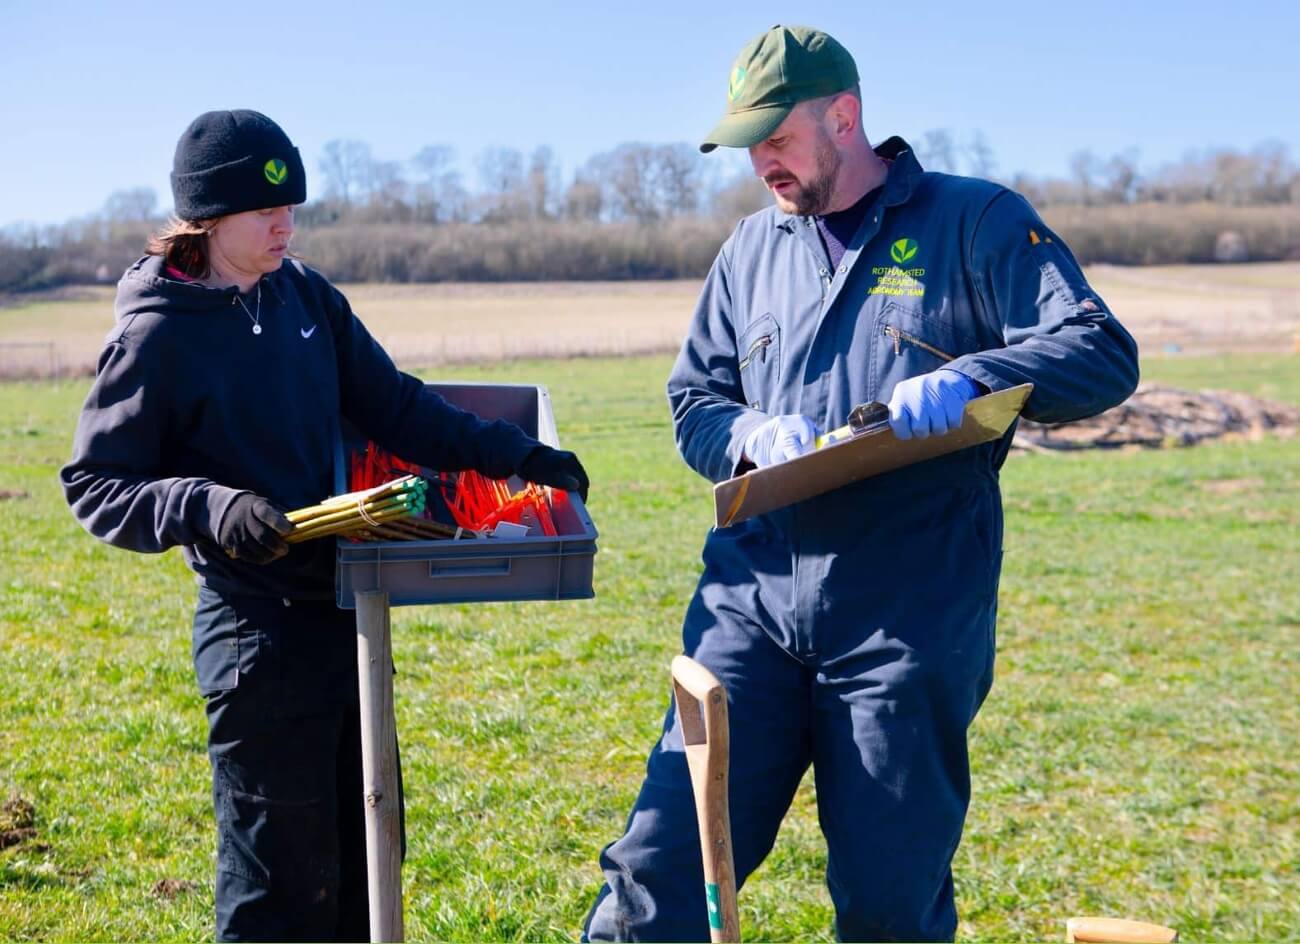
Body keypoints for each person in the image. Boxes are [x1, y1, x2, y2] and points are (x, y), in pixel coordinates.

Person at [583, 25, 1138, 943]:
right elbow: (694, 402)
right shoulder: (750, 251)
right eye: (747, 142)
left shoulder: (976, 221)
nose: (761, 160)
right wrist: (751, 431)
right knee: (660, 868)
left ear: (844, 117)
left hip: (905, 614)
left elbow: (1100, 351)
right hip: (746, 606)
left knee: (890, 902)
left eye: (777, 136)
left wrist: (976, 376)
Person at [60, 109, 589, 942]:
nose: (285, 225)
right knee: (278, 883)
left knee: (366, 852)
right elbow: (96, 484)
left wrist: (512, 452)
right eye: (262, 211)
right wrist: (211, 506)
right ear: (205, 216)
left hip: (349, 615)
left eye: (292, 208)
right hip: (254, 637)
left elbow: (395, 405)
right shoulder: (155, 334)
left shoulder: (305, 295)